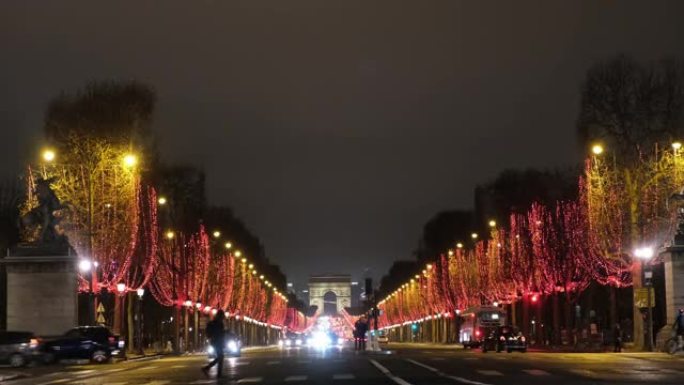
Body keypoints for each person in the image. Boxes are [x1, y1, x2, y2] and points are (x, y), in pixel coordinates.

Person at [202, 310, 226, 377]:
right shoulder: (219, 323)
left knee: (220, 357)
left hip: (215, 342)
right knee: (220, 357)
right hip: (217, 342)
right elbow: (220, 333)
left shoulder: (214, 322)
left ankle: (211, 370)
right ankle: (208, 369)